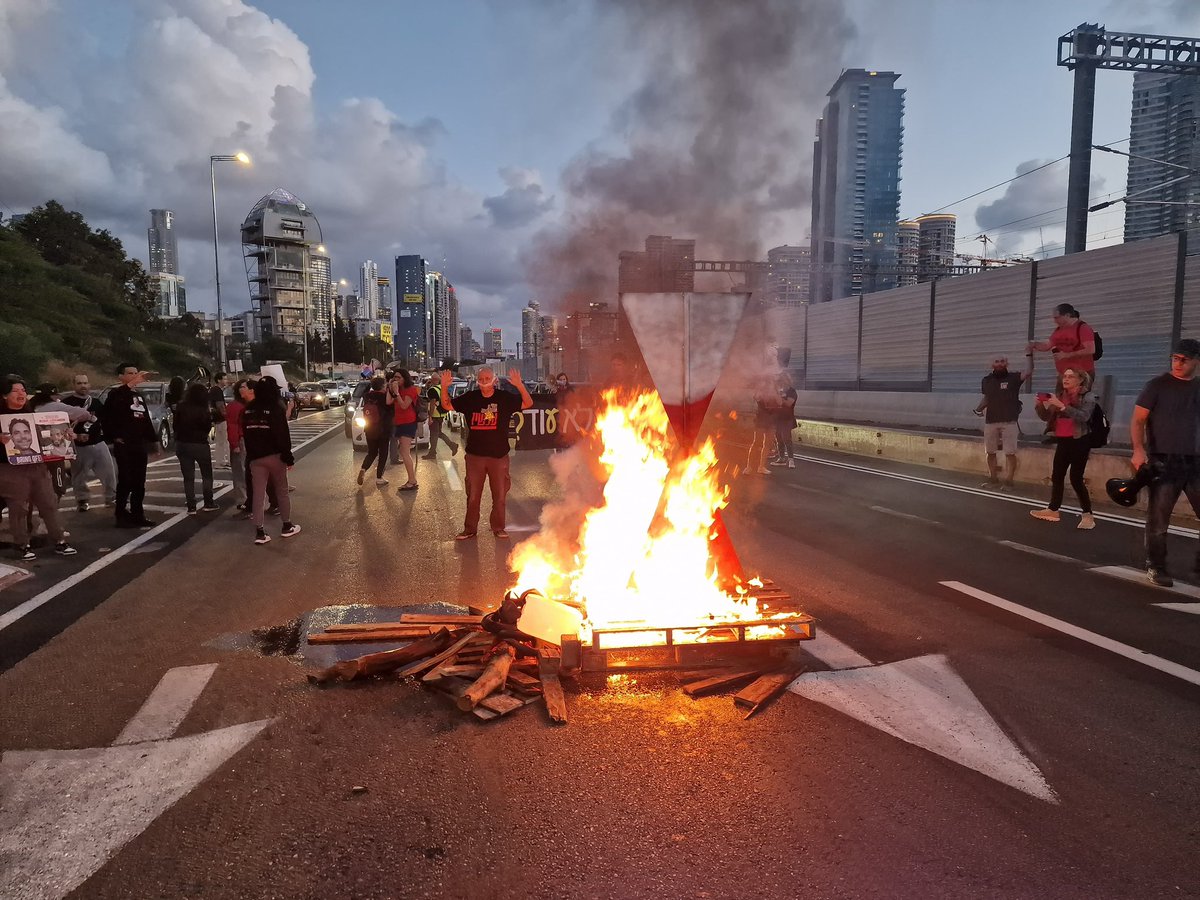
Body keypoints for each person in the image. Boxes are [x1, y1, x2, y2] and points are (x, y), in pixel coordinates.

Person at [1130, 339, 1200, 587]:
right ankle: (1156, 566)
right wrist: (1139, 450)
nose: (1178, 363)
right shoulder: (1157, 385)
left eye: (1184, 359)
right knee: (1159, 519)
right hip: (1163, 460)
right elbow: (1138, 420)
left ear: (1196, 361)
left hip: (1195, 461)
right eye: (1175, 358)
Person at [440, 366, 532, 539]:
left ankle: (498, 527)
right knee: (473, 496)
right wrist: (444, 386)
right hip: (475, 456)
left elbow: (528, 403)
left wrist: (519, 385)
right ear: (477, 380)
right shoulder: (470, 398)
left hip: (499, 457)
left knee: (500, 496)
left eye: (487, 378)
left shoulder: (504, 398)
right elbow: (446, 405)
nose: (484, 382)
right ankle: (470, 529)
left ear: (495, 379)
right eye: (481, 379)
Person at [0, 375, 77, 559]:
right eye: (15, 390)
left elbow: (49, 438)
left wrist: (66, 436)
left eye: (23, 390)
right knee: (18, 508)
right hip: (10, 468)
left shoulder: (33, 414)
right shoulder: (1, 417)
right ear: (4, 395)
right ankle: (22, 544)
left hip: (37, 465)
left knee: (48, 503)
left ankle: (59, 540)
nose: (21, 394)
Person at [1029, 368, 1096, 530]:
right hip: (1063, 440)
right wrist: (1039, 406)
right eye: (1064, 376)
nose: (1066, 379)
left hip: (1080, 440)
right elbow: (1047, 417)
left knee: (1076, 478)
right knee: (1057, 475)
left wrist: (1062, 406)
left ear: (1080, 380)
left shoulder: (1087, 396)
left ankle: (1088, 515)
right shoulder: (1060, 396)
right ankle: (1053, 510)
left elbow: (1084, 416)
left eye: (1070, 376)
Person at [101, 363, 159, 528]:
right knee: (125, 480)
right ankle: (120, 514)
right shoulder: (116, 394)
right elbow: (108, 416)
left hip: (139, 444)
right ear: (121, 376)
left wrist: (154, 442)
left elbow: (145, 419)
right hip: (124, 444)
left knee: (139, 482)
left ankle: (137, 514)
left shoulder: (139, 396)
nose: (135, 376)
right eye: (130, 373)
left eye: (136, 373)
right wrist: (114, 437)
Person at [243, 376, 299, 545]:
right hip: (275, 456)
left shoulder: (249, 409)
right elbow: (282, 435)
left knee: (258, 495)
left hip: (255, 458)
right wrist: (288, 458)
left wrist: (251, 455)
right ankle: (286, 526)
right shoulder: (275, 408)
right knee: (281, 490)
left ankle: (260, 532)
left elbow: (246, 435)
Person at [973, 354, 1032, 490]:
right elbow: (987, 397)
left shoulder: (1013, 378)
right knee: (990, 452)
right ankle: (993, 479)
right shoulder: (986, 380)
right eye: (997, 361)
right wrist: (979, 409)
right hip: (991, 421)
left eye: (1002, 361)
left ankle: (1009, 482)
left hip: (1009, 421)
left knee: (1010, 453)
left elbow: (1028, 372)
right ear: (992, 364)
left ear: (1007, 363)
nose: (1000, 363)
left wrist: (1029, 354)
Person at [62, 372, 116, 511]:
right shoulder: (66, 404)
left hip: (98, 443)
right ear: (74, 385)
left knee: (109, 473)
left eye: (85, 383)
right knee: (79, 476)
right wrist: (76, 436)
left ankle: (111, 498)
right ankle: (82, 501)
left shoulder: (96, 402)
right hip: (79, 446)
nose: (83, 386)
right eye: (79, 383)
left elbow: (106, 421)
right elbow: (61, 426)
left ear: (89, 385)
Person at [173, 383, 218, 515]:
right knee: (207, 475)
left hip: (183, 444)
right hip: (200, 444)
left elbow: (175, 425)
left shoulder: (181, 406)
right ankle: (208, 502)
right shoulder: (203, 408)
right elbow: (207, 427)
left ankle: (191, 506)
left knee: (188, 477)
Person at [1027, 303, 1096, 381]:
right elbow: (1047, 346)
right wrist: (1034, 344)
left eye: (1057, 318)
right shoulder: (1058, 330)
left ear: (1067, 315)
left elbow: (1090, 349)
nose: (1055, 321)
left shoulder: (1083, 328)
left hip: (1081, 374)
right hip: (1064, 374)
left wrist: (1067, 355)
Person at [356, 375, 394, 487]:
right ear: (383, 386)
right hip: (382, 429)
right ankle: (379, 478)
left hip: (369, 428)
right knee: (383, 454)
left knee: (372, 452)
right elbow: (391, 406)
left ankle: (363, 469)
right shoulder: (384, 397)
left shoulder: (367, 396)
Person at [389, 369, 421, 490]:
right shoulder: (398, 389)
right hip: (399, 422)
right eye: (394, 377)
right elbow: (388, 401)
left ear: (405, 378)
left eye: (399, 377)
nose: (396, 380)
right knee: (403, 452)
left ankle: (412, 480)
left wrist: (397, 393)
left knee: (404, 452)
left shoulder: (410, 390)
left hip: (408, 422)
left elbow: (404, 406)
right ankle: (411, 479)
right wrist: (390, 388)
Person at [226, 378, 250, 514]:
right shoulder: (235, 406)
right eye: (241, 387)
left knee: (250, 471)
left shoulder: (250, 404)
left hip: (250, 439)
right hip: (241, 440)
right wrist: (234, 444)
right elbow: (232, 426)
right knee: (240, 471)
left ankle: (251, 499)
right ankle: (243, 500)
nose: (244, 389)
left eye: (246, 387)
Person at [745, 380, 779, 475]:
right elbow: (756, 397)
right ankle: (749, 466)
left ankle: (761, 466)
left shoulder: (775, 392)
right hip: (761, 420)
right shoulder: (760, 391)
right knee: (756, 443)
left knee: (767, 444)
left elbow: (780, 402)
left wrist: (775, 393)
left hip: (771, 421)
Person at [422, 377, 459, 460]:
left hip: (435, 414)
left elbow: (432, 403)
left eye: (431, 379)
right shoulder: (442, 388)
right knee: (438, 433)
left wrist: (430, 416)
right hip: (442, 414)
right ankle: (451, 445)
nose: (430, 380)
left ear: (434, 380)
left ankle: (433, 453)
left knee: (434, 435)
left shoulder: (432, 390)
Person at [770, 374, 798, 469]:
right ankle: (781, 457)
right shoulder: (779, 391)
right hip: (778, 418)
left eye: (782, 381)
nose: (781, 383)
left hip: (787, 418)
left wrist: (779, 398)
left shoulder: (792, 391)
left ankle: (791, 460)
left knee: (787, 439)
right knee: (778, 438)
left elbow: (789, 403)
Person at [209, 371, 230, 468]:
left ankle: (220, 461)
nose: (226, 381)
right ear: (219, 380)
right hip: (221, 419)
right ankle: (223, 461)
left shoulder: (214, 390)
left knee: (220, 441)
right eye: (224, 379)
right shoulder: (217, 390)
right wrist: (226, 415)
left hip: (217, 419)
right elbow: (220, 405)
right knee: (224, 441)